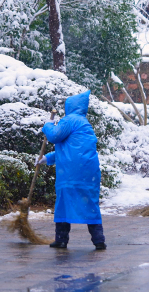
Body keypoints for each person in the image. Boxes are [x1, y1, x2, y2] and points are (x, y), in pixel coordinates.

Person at [39, 90, 106, 250]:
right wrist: (47, 158)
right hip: (88, 174)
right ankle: (99, 240)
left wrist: (47, 125)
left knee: (63, 203)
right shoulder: (84, 123)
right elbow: (70, 150)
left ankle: (61, 240)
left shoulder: (70, 120)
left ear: (70, 107)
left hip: (70, 173)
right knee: (90, 205)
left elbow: (54, 136)